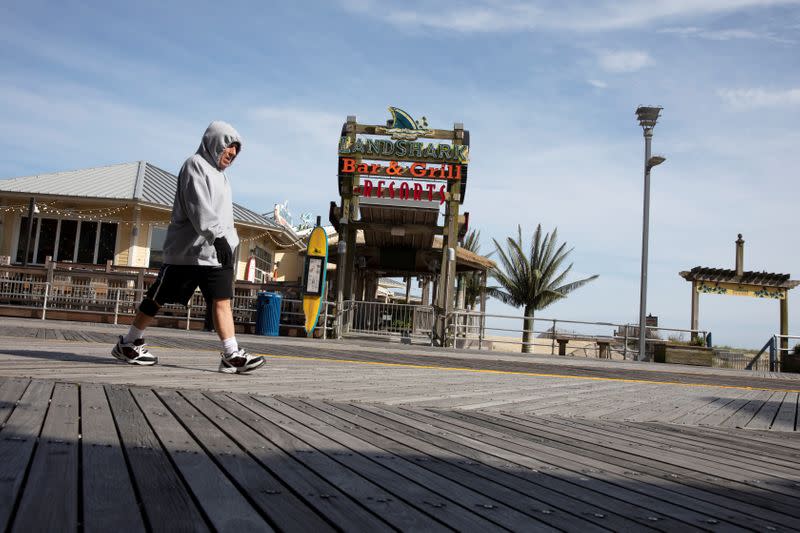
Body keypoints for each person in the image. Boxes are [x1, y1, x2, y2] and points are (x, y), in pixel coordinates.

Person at [112, 121, 265, 374]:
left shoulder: (222, 177)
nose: (231, 157)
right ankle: (128, 343)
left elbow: (222, 214)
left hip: (215, 253)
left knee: (222, 300)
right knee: (157, 298)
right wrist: (217, 236)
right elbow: (198, 207)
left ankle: (232, 354)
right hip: (188, 253)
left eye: (234, 155)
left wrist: (227, 240)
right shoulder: (195, 165)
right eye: (228, 151)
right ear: (216, 144)